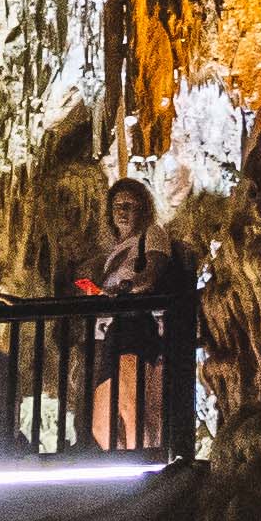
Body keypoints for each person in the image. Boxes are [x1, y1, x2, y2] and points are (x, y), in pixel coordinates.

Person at [63, 174, 175, 448]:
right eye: (117, 206)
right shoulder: (115, 251)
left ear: (143, 209)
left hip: (136, 323)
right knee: (101, 421)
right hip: (113, 329)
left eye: (130, 206)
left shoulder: (152, 234)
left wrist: (126, 289)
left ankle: (145, 464)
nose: (122, 212)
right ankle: (125, 460)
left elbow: (152, 274)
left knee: (130, 404)